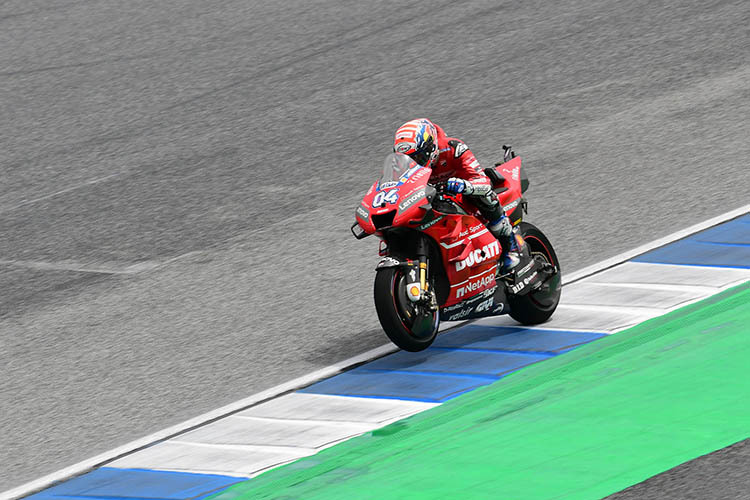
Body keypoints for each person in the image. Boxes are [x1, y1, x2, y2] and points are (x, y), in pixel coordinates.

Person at [393, 118, 520, 272]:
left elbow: (482, 180)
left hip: (464, 194)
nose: (414, 163)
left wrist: (464, 185)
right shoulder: (400, 165)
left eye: (418, 157)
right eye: (409, 159)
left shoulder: (453, 148)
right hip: (431, 198)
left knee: (485, 195)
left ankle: (510, 246)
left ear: (430, 148)